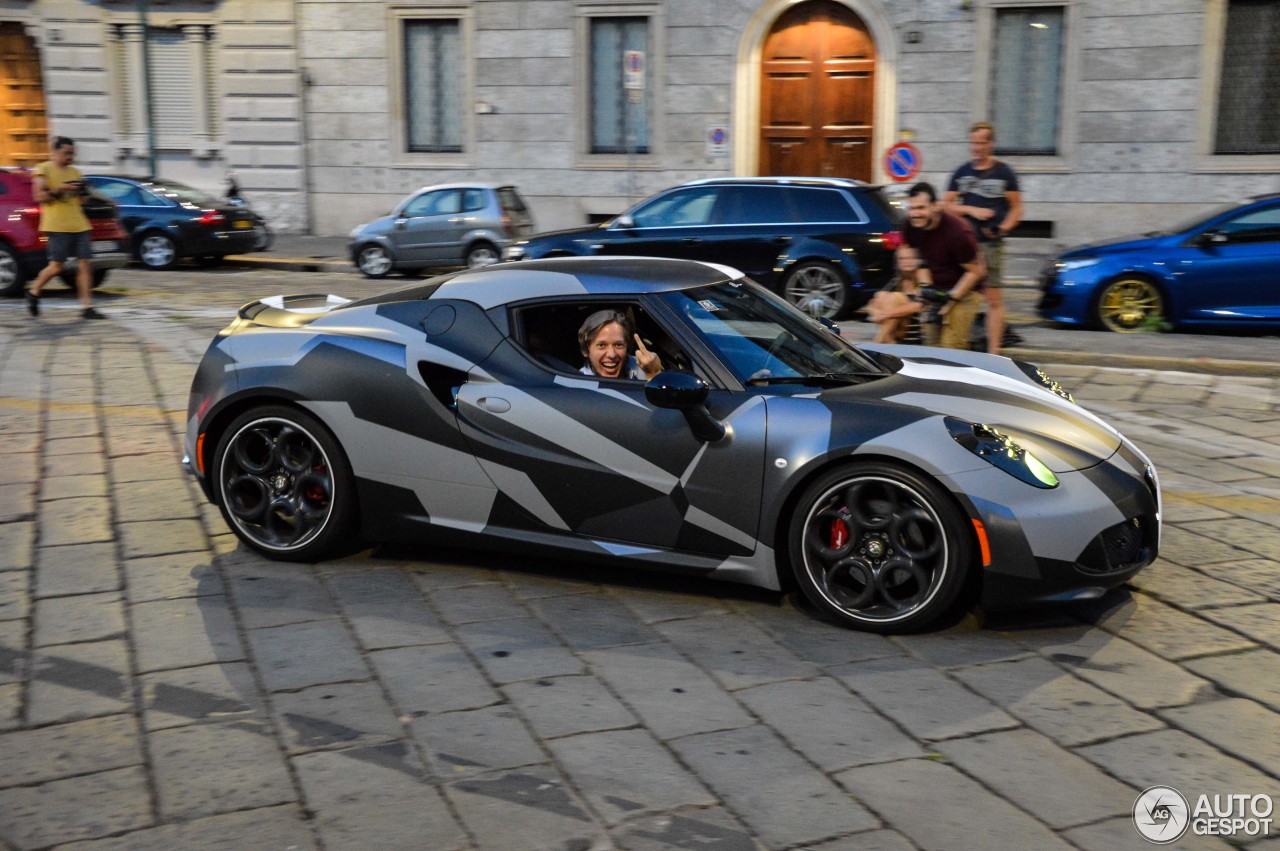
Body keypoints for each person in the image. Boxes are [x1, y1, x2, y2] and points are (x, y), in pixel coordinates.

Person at [945, 121, 1022, 354]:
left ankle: (994, 352)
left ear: (991, 144)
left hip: (990, 244)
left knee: (993, 298)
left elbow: (1017, 208)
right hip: (964, 245)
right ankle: (959, 345)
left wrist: (1002, 229)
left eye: (981, 143)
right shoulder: (962, 172)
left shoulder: (1004, 172)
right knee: (959, 294)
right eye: (973, 143)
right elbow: (945, 205)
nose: (976, 148)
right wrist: (971, 210)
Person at [902, 182, 986, 351]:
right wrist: (927, 288)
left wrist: (950, 299)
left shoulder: (957, 232)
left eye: (921, 208)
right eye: (912, 208)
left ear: (935, 206)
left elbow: (976, 272)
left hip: (965, 290)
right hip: (937, 288)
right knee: (931, 347)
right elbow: (921, 260)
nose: (915, 214)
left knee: (951, 349)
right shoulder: (911, 226)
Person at [26, 136, 103, 320]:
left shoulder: (75, 172)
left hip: (79, 224)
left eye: (72, 153)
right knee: (56, 267)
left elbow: (82, 201)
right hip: (57, 225)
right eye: (66, 153)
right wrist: (60, 189)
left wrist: (83, 191)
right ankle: (34, 290)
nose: (70, 157)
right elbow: (39, 197)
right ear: (55, 151)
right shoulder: (43, 169)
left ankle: (86, 307)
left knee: (85, 264)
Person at [866, 245, 932, 344]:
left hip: (914, 334)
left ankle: (879, 343)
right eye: (902, 259)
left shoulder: (923, 277)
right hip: (895, 330)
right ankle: (887, 342)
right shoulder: (897, 281)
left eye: (911, 258)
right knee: (881, 295)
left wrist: (884, 315)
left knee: (896, 297)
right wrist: (876, 313)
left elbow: (918, 305)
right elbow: (872, 304)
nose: (906, 261)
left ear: (918, 260)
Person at [578, 309, 662, 379]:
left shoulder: (643, 367)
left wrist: (654, 374)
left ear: (627, 347)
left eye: (618, 345)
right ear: (586, 349)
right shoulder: (578, 387)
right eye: (601, 345)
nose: (612, 354)